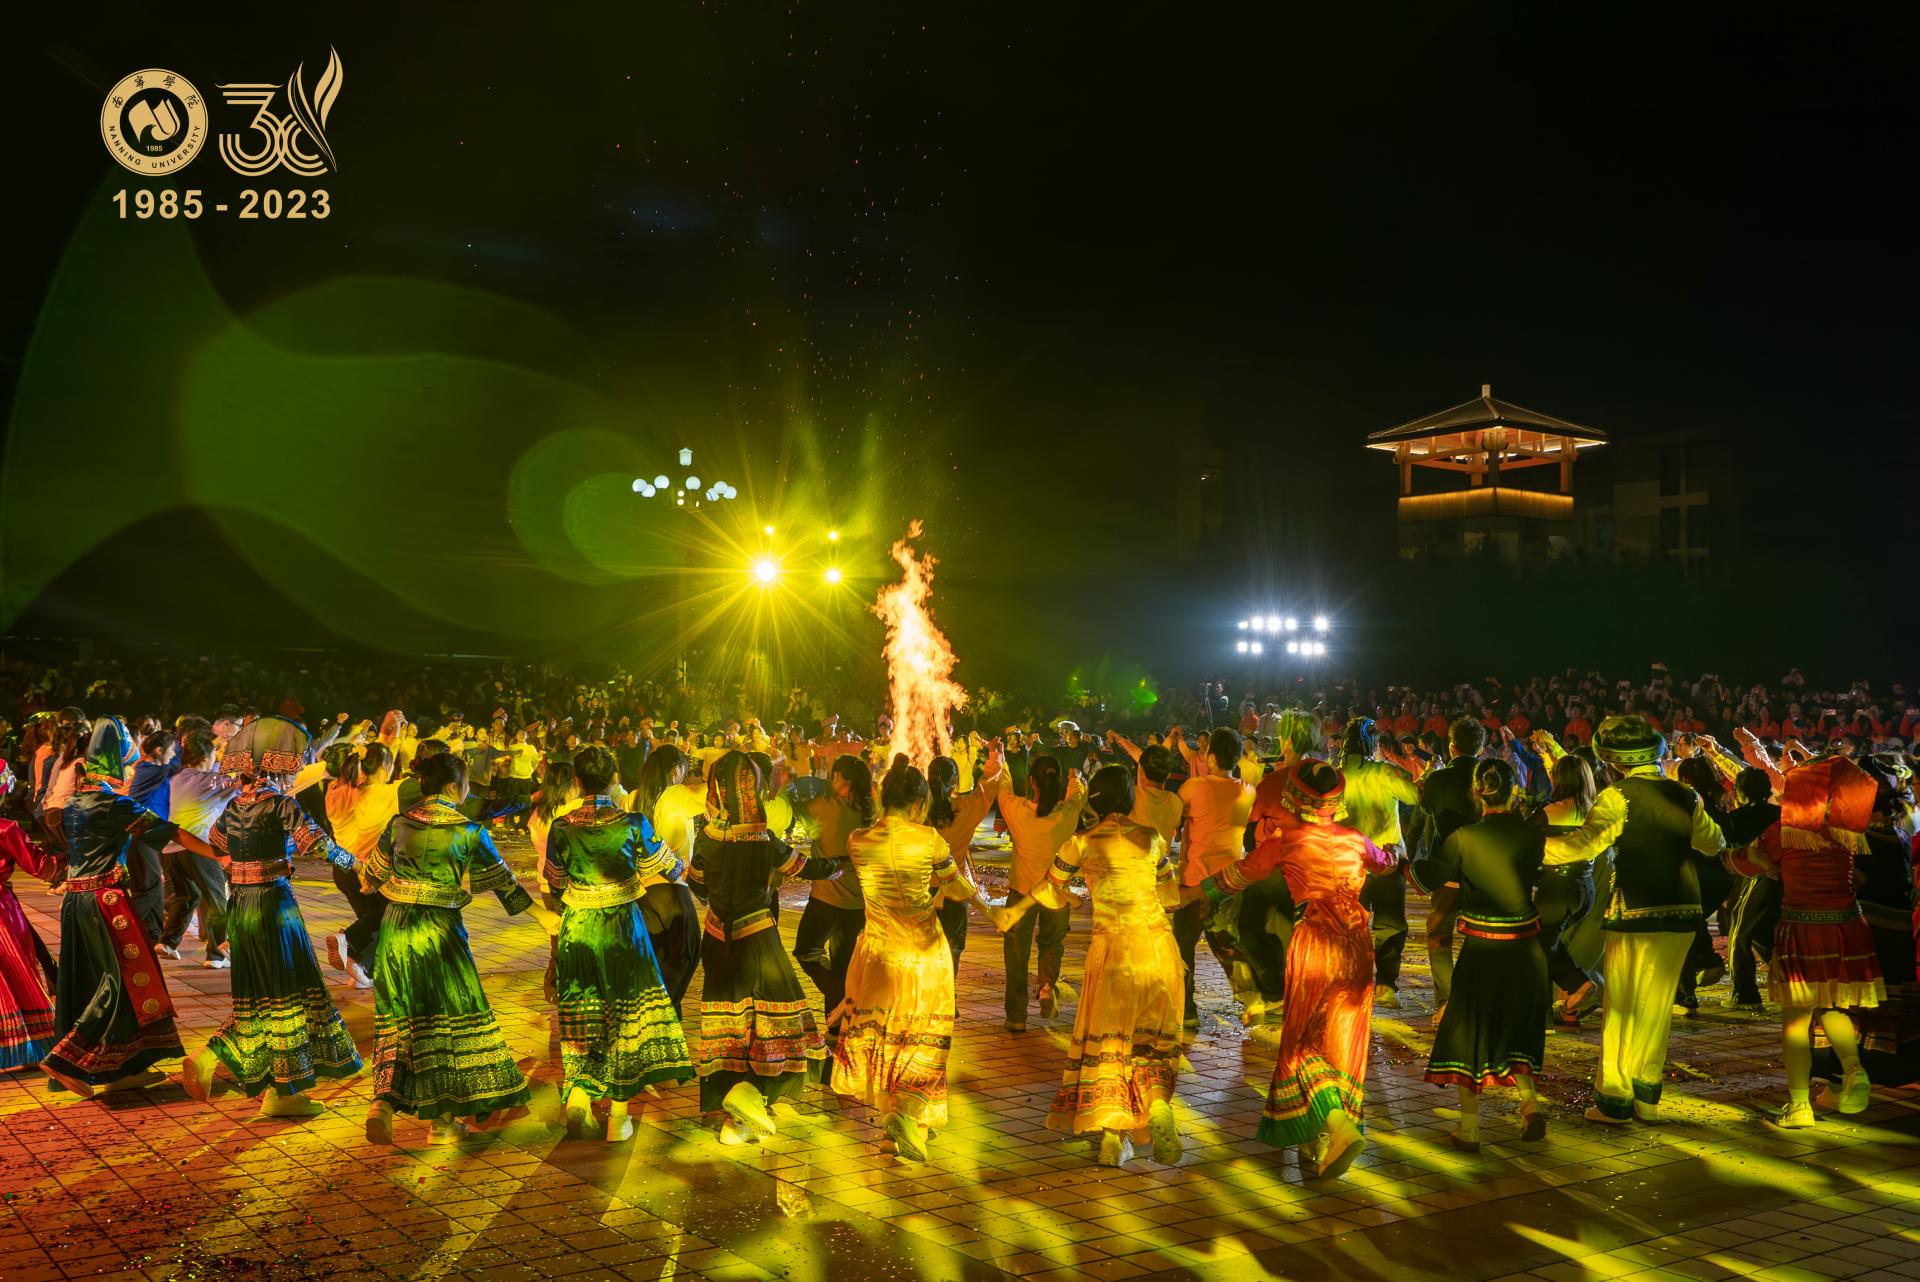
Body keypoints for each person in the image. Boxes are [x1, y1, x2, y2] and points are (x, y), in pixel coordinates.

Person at [1183, 762, 1394, 1178]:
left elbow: (1239, 875)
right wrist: (1391, 856)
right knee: (1341, 1040)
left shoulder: (1287, 840)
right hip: (1357, 947)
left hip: (1315, 943)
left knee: (1304, 1042)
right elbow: (1386, 863)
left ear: (1295, 799)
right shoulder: (1355, 839)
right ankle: (1321, 1137)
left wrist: (1192, 892)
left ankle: (1338, 1126)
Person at [361, 752, 555, 1143]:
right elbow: (504, 882)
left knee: (399, 1015)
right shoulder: (468, 831)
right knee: (447, 1021)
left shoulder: (399, 823)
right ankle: (443, 1122)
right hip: (439, 930)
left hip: (396, 928)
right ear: (453, 787)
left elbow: (370, 878)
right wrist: (542, 916)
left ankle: (382, 1103)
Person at [1001, 764, 1185, 1167]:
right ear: (1129, 798)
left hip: (1112, 952)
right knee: (1150, 1040)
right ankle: (1156, 1105)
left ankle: (1111, 1138)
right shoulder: (1152, 839)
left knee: (1110, 1043)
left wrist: (1062, 900)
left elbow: (1050, 890)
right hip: (1158, 949)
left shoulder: (1081, 843)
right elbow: (1170, 897)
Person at [1545, 715, 1724, 1125]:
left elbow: (1584, 846)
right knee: (1657, 1006)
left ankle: (1615, 1097)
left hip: (1634, 910)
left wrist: (1532, 847)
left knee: (1622, 1006)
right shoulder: (1686, 795)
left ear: (1614, 761)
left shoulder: (1618, 796)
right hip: (1682, 910)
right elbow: (1714, 842)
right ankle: (1646, 1094)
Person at [180, 717, 363, 1118]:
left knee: (258, 996)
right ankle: (281, 1091)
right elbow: (317, 843)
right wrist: (358, 865)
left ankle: (252, 1077)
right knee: (289, 994)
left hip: (241, 906)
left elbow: (218, 845)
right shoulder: (281, 804)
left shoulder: (234, 806)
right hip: (274, 905)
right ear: (277, 767)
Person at [43, 719, 211, 1098]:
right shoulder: (112, 804)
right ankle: (65, 1059)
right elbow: (169, 832)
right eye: (128, 757)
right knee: (122, 981)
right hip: (107, 903)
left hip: (77, 902)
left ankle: (121, 1068)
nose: (132, 765)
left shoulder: (75, 801)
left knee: (89, 982)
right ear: (116, 761)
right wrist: (219, 854)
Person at [688, 752, 843, 1145]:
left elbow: (697, 883)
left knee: (730, 1024)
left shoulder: (707, 836)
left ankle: (735, 1111)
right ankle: (752, 1092)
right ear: (752, 789)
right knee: (774, 1021)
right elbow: (805, 868)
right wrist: (841, 864)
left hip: (717, 941)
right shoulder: (763, 839)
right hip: (759, 938)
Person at [834, 755, 984, 1161]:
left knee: (886, 1035)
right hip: (923, 954)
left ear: (883, 798)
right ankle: (909, 1115)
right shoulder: (929, 840)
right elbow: (955, 886)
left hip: (877, 954)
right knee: (921, 1038)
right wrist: (990, 908)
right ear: (919, 804)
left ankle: (895, 1123)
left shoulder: (858, 840)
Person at [544, 746, 695, 1142]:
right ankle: (618, 1117)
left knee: (582, 1012)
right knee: (626, 1017)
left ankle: (579, 1094)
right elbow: (671, 868)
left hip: (578, 927)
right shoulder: (633, 823)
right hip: (623, 926)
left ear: (577, 781)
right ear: (614, 779)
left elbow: (555, 883)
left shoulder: (561, 827)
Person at [1724, 755, 1882, 1126]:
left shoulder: (1784, 830)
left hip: (1802, 927)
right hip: (1847, 927)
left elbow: (1742, 862)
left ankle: (1799, 1106)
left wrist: (1738, 859)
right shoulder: (1847, 830)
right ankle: (1853, 1068)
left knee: (1796, 1019)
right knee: (1831, 1006)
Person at [1411, 759, 1550, 1149]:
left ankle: (1469, 1128)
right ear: (1514, 791)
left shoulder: (1463, 837)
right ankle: (1529, 1104)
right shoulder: (1532, 835)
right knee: (1515, 1027)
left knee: (1467, 1032)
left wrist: (1396, 863)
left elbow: (1427, 878)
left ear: (1476, 792)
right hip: (1526, 946)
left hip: (1483, 948)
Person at [997, 754, 1088, 1031]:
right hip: (1057, 894)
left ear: (1032, 781)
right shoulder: (1066, 813)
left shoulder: (1018, 810)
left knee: (1016, 952)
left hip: (1022, 891)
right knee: (1051, 943)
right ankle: (1047, 985)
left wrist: (999, 759)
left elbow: (1002, 789)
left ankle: (1016, 1016)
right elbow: (1078, 797)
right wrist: (1075, 779)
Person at [794, 754, 874, 1066]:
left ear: (843, 779)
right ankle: (836, 1027)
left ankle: (842, 999)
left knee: (806, 952)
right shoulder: (870, 813)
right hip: (858, 905)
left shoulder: (825, 807)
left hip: (826, 900)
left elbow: (795, 811)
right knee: (841, 964)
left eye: (834, 775)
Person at [1172, 729, 1254, 1027]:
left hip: (1195, 880)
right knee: (1228, 945)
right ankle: (1252, 998)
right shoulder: (1248, 790)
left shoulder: (1194, 787)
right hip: (1229, 882)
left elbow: (1173, 816)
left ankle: (1186, 1010)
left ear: (1211, 757)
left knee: (1182, 946)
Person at [1336, 718, 1420, 1009]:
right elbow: (1415, 796)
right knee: (1390, 925)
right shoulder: (1383, 772)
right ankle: (1385, 986)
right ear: (1371, 743)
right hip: (1387, 860)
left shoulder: (1336, 776)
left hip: (1348, 863)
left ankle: (1350, 983)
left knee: (1349, 927)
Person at [1527, 743, 1605, 1024]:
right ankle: (1574, 999)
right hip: (1585, 887)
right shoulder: (1596, 810)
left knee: (1537, 949)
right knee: (1550, 944)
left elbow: (1521, 841)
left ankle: (1564, 998)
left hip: (1556, 888)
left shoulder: (1550, 812)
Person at [1417, 717, 1488, 1023]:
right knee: (1482, 937)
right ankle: (1475, 999)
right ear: (1481, 748)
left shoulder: (1439, 778)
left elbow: (1427, 809)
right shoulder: (1492, 775)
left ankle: (1448, 999)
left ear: (1451, 746)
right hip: (1485, 868)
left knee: (1439, 934)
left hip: (1448, 868)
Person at [322, 743, 404, 989]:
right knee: (386, 918)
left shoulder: (333, 791)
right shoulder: (366, 793)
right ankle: (349, 943)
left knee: (373, 920)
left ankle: (362, 969)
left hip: (342, 868)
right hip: (364, 867)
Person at [628, 746, 702, 1014]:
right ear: (676, 769)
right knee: (685, 955)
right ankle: (658, 1014)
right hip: (671, 889)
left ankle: (660, 1021)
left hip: (641, 892)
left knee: (657, 961)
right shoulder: (675, 794)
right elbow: (712, 797)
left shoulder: (633, 798)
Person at [153, 732, 237, 967]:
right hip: (199, 846)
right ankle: (217, 954)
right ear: (205, 756)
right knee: (217, 900)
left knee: (186, 897)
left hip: (172, 849)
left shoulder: (177, 778)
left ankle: (168, 942)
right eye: (214, 753)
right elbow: (242, 785)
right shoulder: (207, 781)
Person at [925, 747, 1004, 980]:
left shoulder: (915, 811)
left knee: (922, 951)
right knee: (952, 949)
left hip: (921, 892)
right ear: (955, 782)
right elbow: (987, 789)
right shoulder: (967, 808)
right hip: (955, 892)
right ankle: (947, 994)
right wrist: (995, 759)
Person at [1722, 768, 1783, 1009]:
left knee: (1739, 935)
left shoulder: (1736, 818)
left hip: (1751, 879)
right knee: (1761, 931)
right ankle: (1787, 977)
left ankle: (1745, 994)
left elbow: (1730, 852)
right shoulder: (1780, 814)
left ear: (1740, 792)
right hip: (1781, 879)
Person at [0, 814, 57, 1070]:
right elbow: (41, 867)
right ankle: (31, 1045)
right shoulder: (6, 829)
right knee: (17, 971)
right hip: (3, 914)